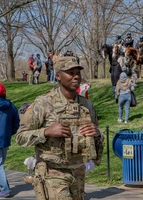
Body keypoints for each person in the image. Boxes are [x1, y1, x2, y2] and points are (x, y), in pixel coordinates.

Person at [15, 56, 104, 200]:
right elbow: (20, 137)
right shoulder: (44, 103)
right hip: (52, 173)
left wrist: (97, 133)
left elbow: (97, 137)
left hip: (78, 174)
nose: (76, 77)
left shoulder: (87, 106)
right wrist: (46, 132)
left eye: (78, 73)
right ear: (58, 76)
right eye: (70, 72)